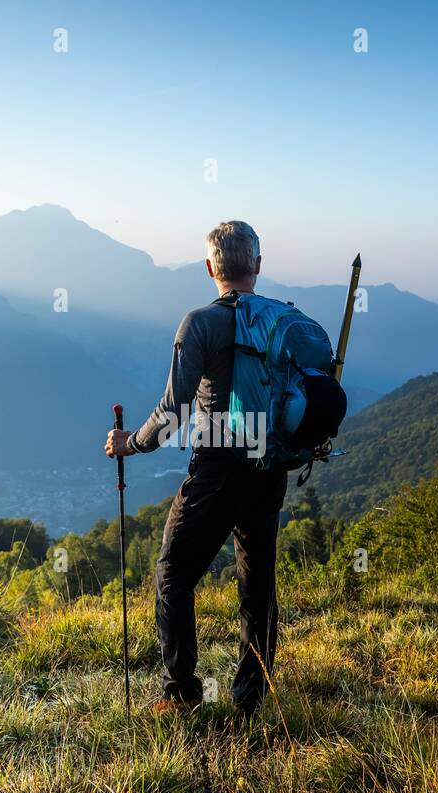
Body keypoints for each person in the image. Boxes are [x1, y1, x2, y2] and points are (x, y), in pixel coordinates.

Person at [104, 220, 287, 718]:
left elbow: (172, 414)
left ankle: (181, 693)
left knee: (173, 574)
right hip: (270, 466)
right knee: (257, 583)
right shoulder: (280, 320)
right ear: (258, 266)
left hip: (216, 470)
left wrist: (129, 445)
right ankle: (250, 698)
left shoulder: (199, 323)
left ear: (210, 268)